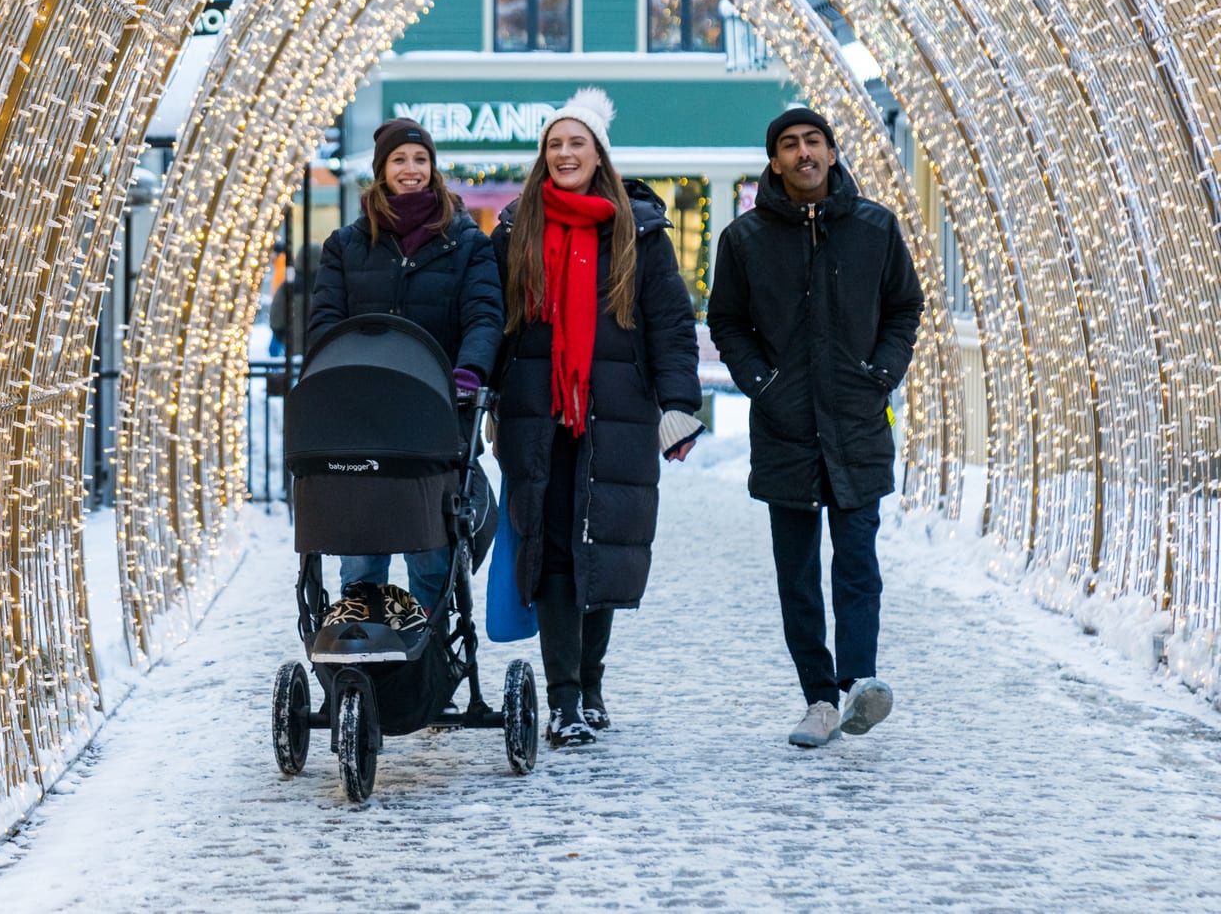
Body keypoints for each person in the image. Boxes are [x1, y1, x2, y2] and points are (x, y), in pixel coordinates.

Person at [490, 89, 704, 747]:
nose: (564, 153)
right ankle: (563, 700)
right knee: (553, 546)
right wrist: (491, 397)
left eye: (575, 142)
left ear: (599, 153)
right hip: (538, 410)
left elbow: (669, 323)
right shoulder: (516, 226)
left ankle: (590, 680)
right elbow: (493, 319)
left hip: (618, 409)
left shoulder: (638, 230)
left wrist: (679, 405)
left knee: (603, 545)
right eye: (554, 144)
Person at [706, 107, 923, 748]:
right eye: (789, 145)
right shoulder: (744, 239)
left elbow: (904, 306)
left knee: (857, 559)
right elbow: (728, 324)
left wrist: (880, 373)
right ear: (775, 161)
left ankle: (860, 686)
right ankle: (818, 699)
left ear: (831, 152)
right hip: (785, 426)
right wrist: (765, 386)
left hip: (856, 421)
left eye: (813, 142)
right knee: (796, 572)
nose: (803, 153)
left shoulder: (874, 228)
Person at [307, 117, 503, 610]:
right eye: (399, 160)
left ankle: (429, 666)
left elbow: (484, 316)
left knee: (431, 552)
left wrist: (469, 372)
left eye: (420, 159)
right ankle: (365, 653)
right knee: (361, 551)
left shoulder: (466, 244)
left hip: (437, 417)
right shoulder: (347, 247)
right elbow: (326, 323)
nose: (411, 169)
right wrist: (337, 377)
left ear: (432, 168)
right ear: (381, 170)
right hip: (361, 421)